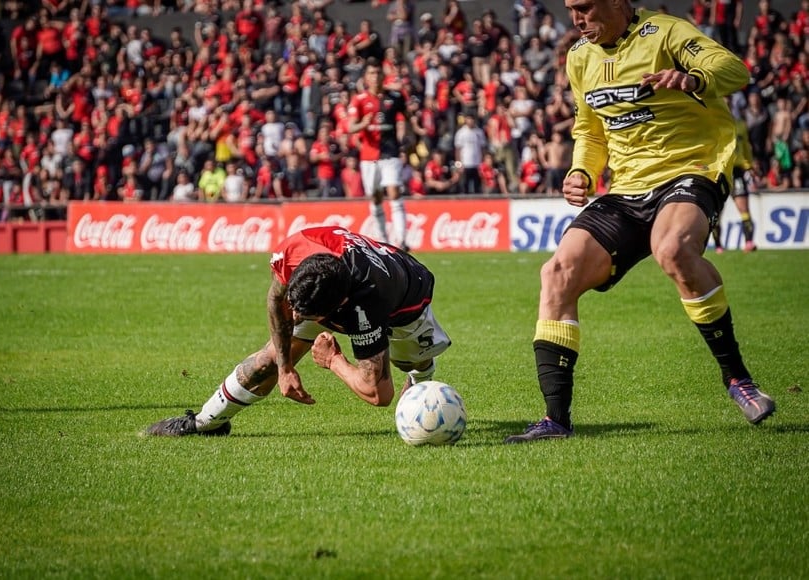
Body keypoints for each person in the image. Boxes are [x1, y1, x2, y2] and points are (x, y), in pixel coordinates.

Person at [505, 0, 775, 443]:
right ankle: (556, 420)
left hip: (692, 168)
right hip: (628, 187)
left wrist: (694, 78)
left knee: (672, 250)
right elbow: (589, 130)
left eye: (586, 8)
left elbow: (735, 70)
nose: (576, 19)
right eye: (570, 9)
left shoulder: (666, 33)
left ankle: (737, 379)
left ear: (618, 2)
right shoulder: (579, 57)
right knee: (556, 273)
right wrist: (580, 171)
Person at [147, 227, 452, 437]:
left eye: (304, 315)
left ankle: (420, 380)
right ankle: (204, 423)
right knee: (267, 360)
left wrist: (333, 360)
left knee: (411, 364)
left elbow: (378, 394)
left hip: (408, 300)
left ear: (336, 310)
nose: (294, 316)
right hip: (337, 282)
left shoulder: (366, 304)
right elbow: (275, 300)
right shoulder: (296, 250)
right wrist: (284, 367)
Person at [348, 62, 410, 250]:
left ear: (383, 77)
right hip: (369, 156)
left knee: (394, 192)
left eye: (377, 73)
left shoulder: (395, 97)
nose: (375, 77)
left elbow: (406, 117)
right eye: (371, 73)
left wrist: (405, 139)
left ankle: (402, 241)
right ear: (366, 78)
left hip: (390, 151)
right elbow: (351, 127)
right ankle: (383, 239)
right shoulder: (359, 100)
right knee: (375, 197)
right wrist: (363, 124)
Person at [712, 107, 757, 253]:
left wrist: (749, 164)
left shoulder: (740, 124)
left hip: (736, 171)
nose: (728, 101)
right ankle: (719, 246)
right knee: (716, 212)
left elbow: (746, 147)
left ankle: (749, 242)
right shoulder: (713, 122)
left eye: (730, 98)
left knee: (744, 208)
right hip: (719, 172)